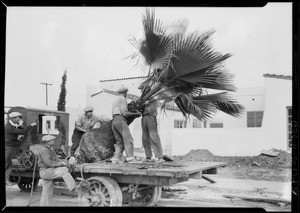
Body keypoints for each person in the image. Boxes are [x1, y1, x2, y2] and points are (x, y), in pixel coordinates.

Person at [38, 135, 88, 206]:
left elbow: (56, 160)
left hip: (48, 171)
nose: (54, 141)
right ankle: (75, 188)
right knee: (63, 170)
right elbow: (48, 163)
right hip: (45, 171)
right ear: (47, 142)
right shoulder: (45, 150)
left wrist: (64, 162)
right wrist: (61, 164)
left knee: (46, 192)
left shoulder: (50, 149)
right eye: (52, 140)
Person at [5, 111, 38, 185]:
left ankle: (7, 180)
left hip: (12, 146)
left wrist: (21, 125)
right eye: (17, 118)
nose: (19, 119)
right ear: (12, 118)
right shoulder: (9, 127)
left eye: (19, 117)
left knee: (10, 164)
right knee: (6, 163)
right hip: (8, 147)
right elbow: (22, 131)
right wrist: (31, 125)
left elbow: (19, 129)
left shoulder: (13, 125)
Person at [111, 86, 141, 164]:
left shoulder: (115, 99)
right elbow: (125, 113)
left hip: (114, 121)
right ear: (125, 93)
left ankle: (115, 159)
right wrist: (135, 113)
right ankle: (130, 158)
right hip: (120, 120)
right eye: (126, 93)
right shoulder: (123, 99)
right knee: (128, 139)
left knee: (119, 142)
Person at [138, 85, 164, 163]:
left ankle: (160, 157)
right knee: (145, 138)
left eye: (142, 89)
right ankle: (148, 156)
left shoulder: (152, 100)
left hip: (151, 118)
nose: (141, 91)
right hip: (144, 118)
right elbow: (140, 111)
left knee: (154, 137)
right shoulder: (142, 100)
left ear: (146, 90)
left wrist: (146, 105)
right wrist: (142, 105)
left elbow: (151, 111)